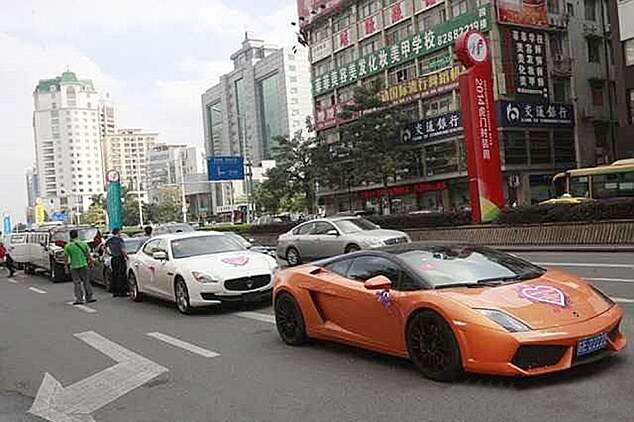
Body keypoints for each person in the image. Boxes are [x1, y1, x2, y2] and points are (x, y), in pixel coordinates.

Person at [64, 229, 95, 305]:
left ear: (70, 236)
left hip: (74, 266)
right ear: (77, 235)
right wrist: (91, 262)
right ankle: (89, 297)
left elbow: (65, 258)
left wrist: (66, 267)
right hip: (84, 264)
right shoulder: (83, 244)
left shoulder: (68, 246)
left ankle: (79, 299)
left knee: (77, 283)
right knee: (86, 281)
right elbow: (88, 254)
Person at [106, 228, 128, 297]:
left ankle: (115, 292)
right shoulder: (119, 240)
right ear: (118, 232)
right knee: (121, 275)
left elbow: (104, 247)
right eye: (120, 232)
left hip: (113, 258)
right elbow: (123, 249)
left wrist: (109, 253)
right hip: (120, 258)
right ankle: (122, 291)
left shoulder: (110, 240)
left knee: (114, 275)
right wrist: (126, 256)